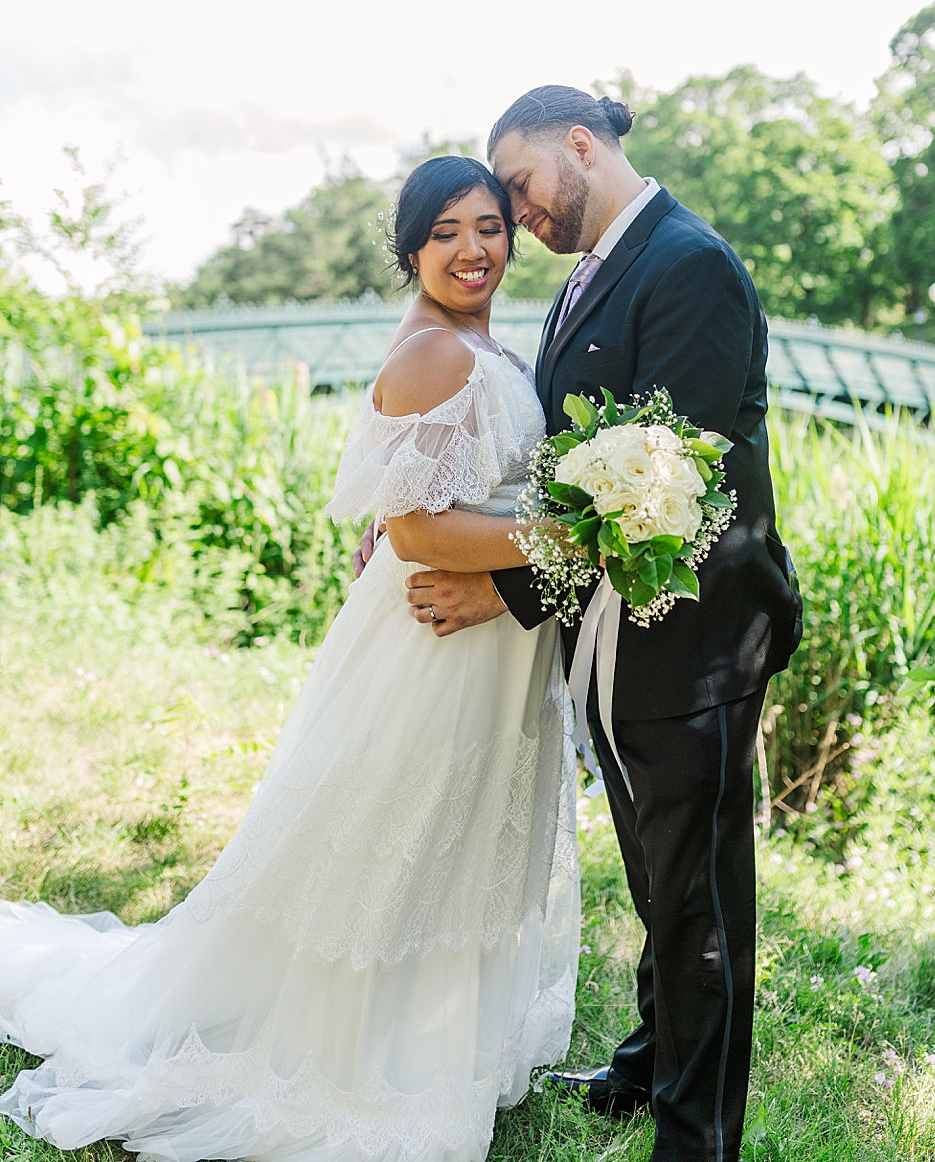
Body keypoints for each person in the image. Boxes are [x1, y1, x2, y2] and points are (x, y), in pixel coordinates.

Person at [0, 157, 578, 1162]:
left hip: (484, 639)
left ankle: (420, 1035)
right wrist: (574, 539)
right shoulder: (434, 355)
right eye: (443, 232)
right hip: (436, 645)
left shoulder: (476, 344)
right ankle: (345, 1050)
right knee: (396, 836)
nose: (472, 248)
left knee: (447, 834)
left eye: (488, 226)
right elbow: (417, 532)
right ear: (409, 250)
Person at [398, 87, 802, 1162]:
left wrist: (503, 590)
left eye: (521, 189)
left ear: (579, 145)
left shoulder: (688, 265)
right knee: (654, 872)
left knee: (698, 896)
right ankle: (645, 1065)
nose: (517, 218)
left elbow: (665, 478)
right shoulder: (591, 272)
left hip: (696, 638)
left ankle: (694, 1136)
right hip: (616, 635)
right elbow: (564, 465)